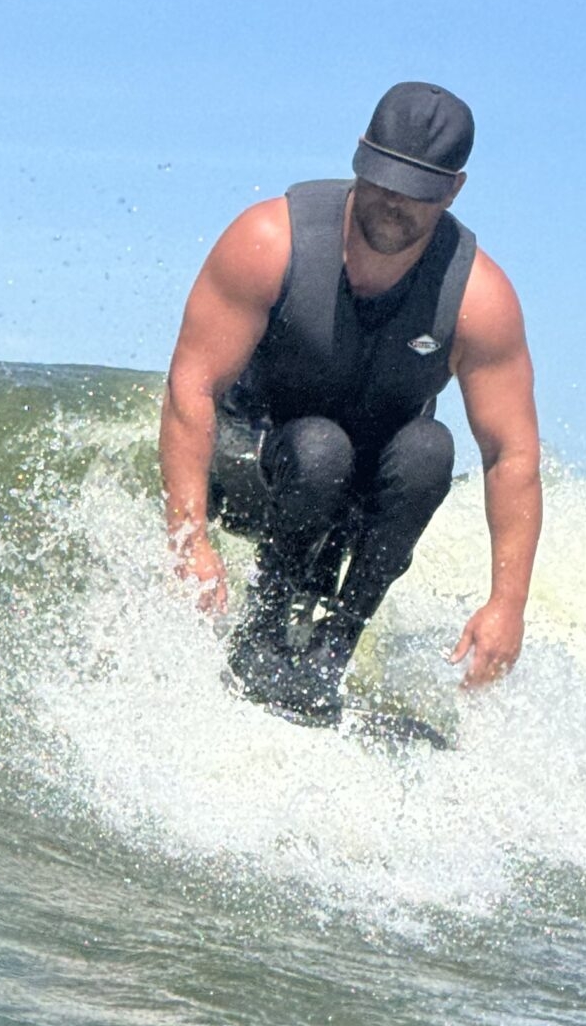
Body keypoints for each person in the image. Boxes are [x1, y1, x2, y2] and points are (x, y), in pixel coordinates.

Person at [160, 81, 542, 724]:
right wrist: (189, 541)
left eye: (418, 191)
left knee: (430, 450)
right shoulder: (270, 241)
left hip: (355, 486)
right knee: (318, 449)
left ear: (453, 190)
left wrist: (508, 603)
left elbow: (511, 452)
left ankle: (333, 650)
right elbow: (191, 386)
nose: (394, 204)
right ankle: (263, 630)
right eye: (383, 179)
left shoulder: (479, 298)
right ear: (360, 155)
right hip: (255, 461)